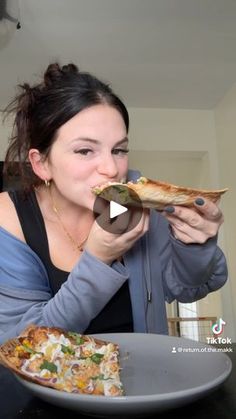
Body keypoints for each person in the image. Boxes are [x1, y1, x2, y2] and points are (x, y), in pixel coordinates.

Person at [0, 62, 227, 344]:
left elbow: (186, 288)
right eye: (85, 150)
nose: (111, 168)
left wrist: (195, 246)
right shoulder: (8, 220)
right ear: (41, 163)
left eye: (119, 150)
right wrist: (98, 261)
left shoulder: (133, 201)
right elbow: (22, 348)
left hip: (146, 380)